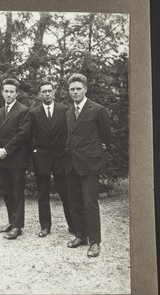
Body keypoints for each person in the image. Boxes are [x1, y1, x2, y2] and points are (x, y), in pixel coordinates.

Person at [65, 73, 112, 257]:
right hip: (72, 164)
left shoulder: (97, 110)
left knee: (90, 203)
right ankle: (80, 235)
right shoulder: (69, 113)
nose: (75, 92)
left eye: (78, 88)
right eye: (72, 89)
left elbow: (106, 137)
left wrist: (95, 153)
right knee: (74, 203)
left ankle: (94, 242)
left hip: (90, 165)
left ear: (85, 89)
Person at [30, 80, 73, 237]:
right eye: (44, 91)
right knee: (43, 194)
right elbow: (29, 136)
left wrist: (67, 151)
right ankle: (45, 226)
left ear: (54, 92)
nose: (47, 93)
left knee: (65, 193)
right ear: (40, 94)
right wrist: (34, 151)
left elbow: (70, 133)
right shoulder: (34, 113)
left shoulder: (64, 110)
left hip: (61, 158)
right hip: (41, 159)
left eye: (49, 90)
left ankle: (73, 225)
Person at [0, 78, 30, 240]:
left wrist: (6, 150)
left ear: (16, 93)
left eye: (11, 91)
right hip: (2, 158)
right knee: (7, 192)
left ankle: (17, 226)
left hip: (16, 158)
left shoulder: (23, 110)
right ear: (2, 93)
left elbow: (22, 134)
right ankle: (11, 221)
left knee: (17, 192)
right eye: (6, 91)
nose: (8, 94)